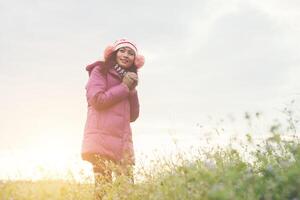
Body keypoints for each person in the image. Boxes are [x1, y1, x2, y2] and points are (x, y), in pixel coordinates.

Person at [81, 38, 145, 199]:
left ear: (134, 60)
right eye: (122, 50)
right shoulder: (100, 71)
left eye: (131, 53)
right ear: (114, 54)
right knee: (104, 190)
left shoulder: (128, 81)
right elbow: (97, 100)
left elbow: (132, 116)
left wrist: (132, 91)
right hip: (101, 142)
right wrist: (123, 87)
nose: (126, 55)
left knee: (128, 193)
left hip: (122, 144)